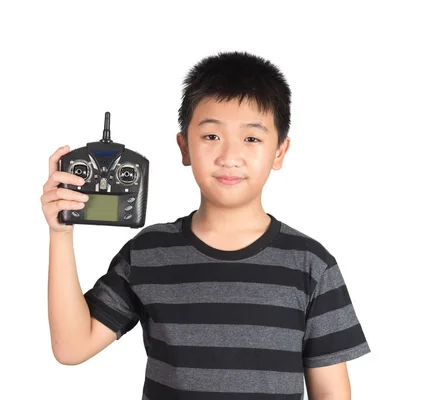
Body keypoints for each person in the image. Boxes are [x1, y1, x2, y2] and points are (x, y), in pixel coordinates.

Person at [41, 51, 371, 400]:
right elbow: (71, 347)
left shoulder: (312, 264)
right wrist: (60, 234)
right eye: (211, 136)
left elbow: (332, 395)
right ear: (184, 146)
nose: (229, 156)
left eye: (252, 138)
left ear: (279, 151)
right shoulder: (148, 254)